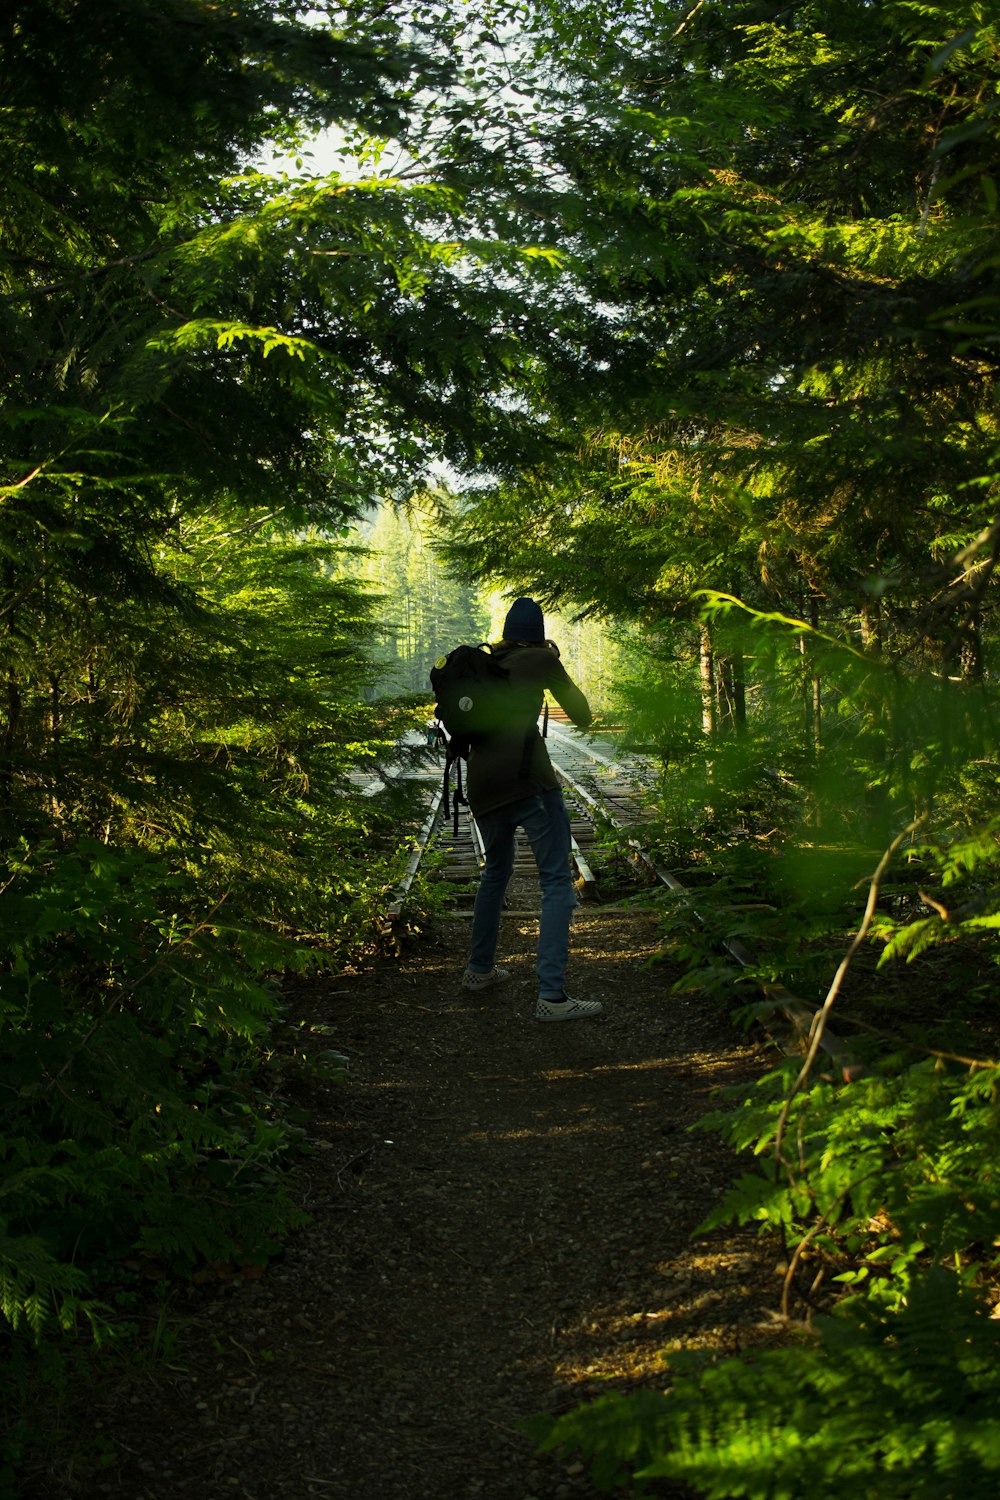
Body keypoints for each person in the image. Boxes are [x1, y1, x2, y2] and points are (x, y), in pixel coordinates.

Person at [460, 597, 603, 1021]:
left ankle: (478, 970)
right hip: (528, 782)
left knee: (495, 873)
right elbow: (582, 715)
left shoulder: (488, 663)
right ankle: (552, 997)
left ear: (506, 633)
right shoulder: (540, 660)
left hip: (483, 784)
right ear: (539, 634)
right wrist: (551, 664)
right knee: (557, 880)